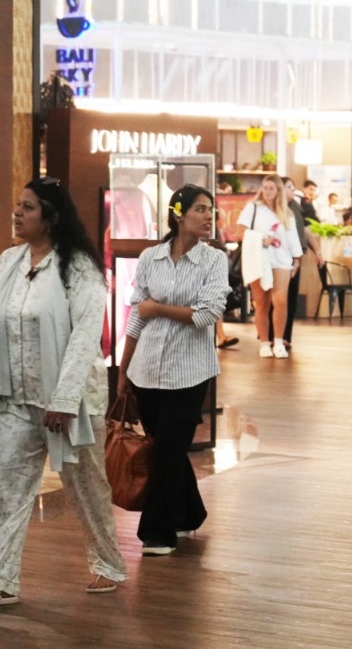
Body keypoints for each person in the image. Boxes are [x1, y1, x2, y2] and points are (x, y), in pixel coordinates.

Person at [0, 177, 127, 604]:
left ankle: (108, 562)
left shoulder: (79, 269)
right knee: (10, 488)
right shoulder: (8, 263)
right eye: (18, 205)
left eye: (28, 207)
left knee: (86, 487)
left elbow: (86, 337)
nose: (18, 213)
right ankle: (2, 578)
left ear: (50, 218)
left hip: (68, 401)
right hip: (16, 398)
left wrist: (65, 399)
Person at [119, 184, 230, 556]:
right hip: (146, 369)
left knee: (169, 448)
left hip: (191, 372)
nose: (208, 216)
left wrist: (158, 309)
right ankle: (190, 512)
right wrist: (124, 369)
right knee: (166, 447)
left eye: (210, 210)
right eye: (200, 209)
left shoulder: (214, 260)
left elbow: (207, 315)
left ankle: (157, 531)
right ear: (178, 214)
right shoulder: (151, 257)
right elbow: (137, 316)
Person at [237, 175, 303, 359]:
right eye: (265, 188)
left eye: (271, 188)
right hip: (259, 257)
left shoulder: (286, 213)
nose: (267, 192)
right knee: (262, 301)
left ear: (278, 191)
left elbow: (293, 239)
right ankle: (264, 342)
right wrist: (261, 239)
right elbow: (241, 231)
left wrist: (296, 260)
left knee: (280, 300)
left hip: (281, 259)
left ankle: (279, 341)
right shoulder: (254, 208)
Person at [270, 176, 323, 352]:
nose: (293, 190)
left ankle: (285, 336)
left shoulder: (297, 208)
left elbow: (305, 231)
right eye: (289, 187)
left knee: (290, 298)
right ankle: (273, 336)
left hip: (295, 257)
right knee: (278, 299)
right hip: (279, 259)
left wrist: (317, 251)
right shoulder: (273, 210)